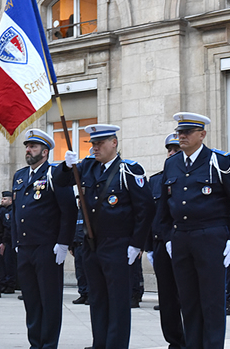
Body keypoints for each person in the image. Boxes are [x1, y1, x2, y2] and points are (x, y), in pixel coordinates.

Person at [157, 112, 230, 348]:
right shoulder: (172, 163)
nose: (182, 136)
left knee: (211, 300)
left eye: (188, 132)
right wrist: (167, 236)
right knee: (188, 300)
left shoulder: (219, 161)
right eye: (180, 132)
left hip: (211, 235)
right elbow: (163, 205)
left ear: (202, 134)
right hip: (181, 237)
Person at [60, 124, 155, 349]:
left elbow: (146, 209)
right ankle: (99, 342)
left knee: (118, 301)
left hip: (118, 244)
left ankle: (116, 344)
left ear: (114, 143)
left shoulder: (129, 170)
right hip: (92, 245)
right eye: (92, 144)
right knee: (97, 298)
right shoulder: (88, 167)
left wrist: (136, 244)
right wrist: (66, 166)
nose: (95, 148)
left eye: (100, 143)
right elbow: (63, 182)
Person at [12, 129, 77, 349]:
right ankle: (35, 342)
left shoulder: (55, 174)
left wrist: (63, 242)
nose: (28, 150)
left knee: (49, 300)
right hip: (25, 247)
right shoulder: (20, 175)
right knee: (31, 299)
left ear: (45, 152)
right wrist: (16, 243)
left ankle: (49, 344)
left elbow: (69, 209)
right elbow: (16, 212)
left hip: (47, 247)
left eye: (33, 147)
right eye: (27, 146)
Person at [147, 133, 185, 349]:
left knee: (188, 295)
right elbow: (149, 214)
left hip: (183, 241)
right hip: (161, 244)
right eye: (169, 150)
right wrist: (148, 247)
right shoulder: (156, 180)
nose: (171, 153)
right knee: (167, 297)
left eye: (176, 150)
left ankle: (192, 338)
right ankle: (174, 340)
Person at [70, 208, 89, 305]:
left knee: (88, 271)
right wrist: (71, 245)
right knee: (80, 272)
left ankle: (90, 294)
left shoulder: (88, 212)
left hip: (86, 246)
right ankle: (83, 293)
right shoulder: (77, 213)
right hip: (77, 246)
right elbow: (72, 229)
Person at [1, 190, 17, 294]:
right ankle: (7, 283)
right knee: (6, 264)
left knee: (11, 264)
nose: (2, 201)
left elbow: (10, 226)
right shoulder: (5, 211)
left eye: (5, 199)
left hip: (12, 241)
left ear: (11, 200)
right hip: (7, 241)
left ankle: (11, 285)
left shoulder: (12, 211)